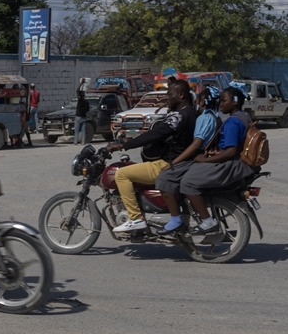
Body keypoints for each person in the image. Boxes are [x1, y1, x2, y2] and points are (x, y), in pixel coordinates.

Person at [158, 86, 253, 236]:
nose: (220, 104)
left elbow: (231, 151)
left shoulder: (232, 122)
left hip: (230, 164)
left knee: (188, 182)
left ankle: (207, 222)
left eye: (224, 100)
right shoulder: (243, 116)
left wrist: (205, 160)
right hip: (234, 161)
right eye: (220, 100)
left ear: (235, 102)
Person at [105, 79, 196, 233]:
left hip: (167, 164)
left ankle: (135, 218)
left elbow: (154, 134)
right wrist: (130, 140)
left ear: (181, 95)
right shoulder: (189, 113)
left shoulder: (179, 116)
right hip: (177, 162)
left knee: (121, 174)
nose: (167, 98)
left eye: (170, 95)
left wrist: (123, 145)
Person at [154, 86, 222, 235]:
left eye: (197, 100)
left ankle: (176, 220)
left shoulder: (205, 117)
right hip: (199, 156)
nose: (194, 104)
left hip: (196, 157)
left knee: (164, 178)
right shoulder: (214, 116)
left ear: (202, 102)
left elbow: (196, 144)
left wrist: (174, 163)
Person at [73, 80, 89, 145]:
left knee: (76, 130)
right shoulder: (87, 102)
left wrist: (81, 83)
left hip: (78, 117)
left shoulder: (80, 100)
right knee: (83, 131)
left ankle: (75, 141)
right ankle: (83, 142)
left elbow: (77, 90)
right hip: (84, 117)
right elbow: (88, 110)